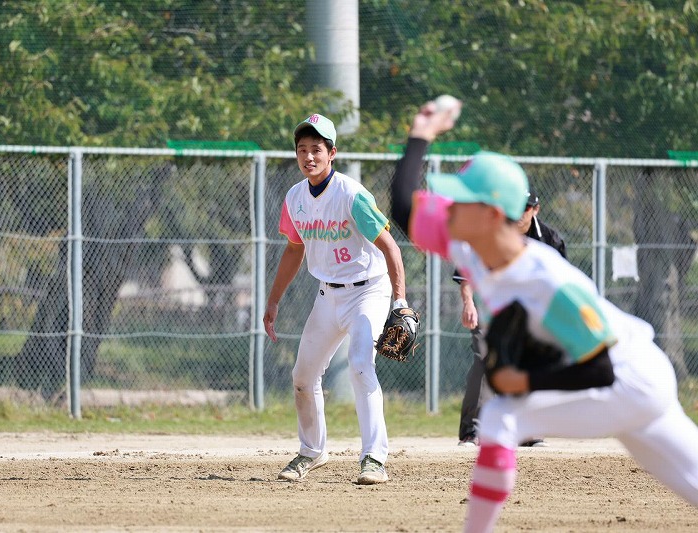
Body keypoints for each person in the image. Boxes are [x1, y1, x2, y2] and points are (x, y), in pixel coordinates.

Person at [390, 100, 698, 531]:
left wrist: (525, 382)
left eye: (460, 201)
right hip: (632, 381)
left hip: (626, 378)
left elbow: (600, 369)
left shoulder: (548, 281)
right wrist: (421, 134)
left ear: (492, 215)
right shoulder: (470, 245)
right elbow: (404, 210)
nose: (448, 207)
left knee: (500, 416)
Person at [263, 113, 408, 485]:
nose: (309, 156)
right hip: (328, 294)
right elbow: (294, 249)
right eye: (302, 149)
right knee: (302, 376)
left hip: (368, 291)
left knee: (360, 365)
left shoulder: (351, 194)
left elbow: (391, 248)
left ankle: (374, 458)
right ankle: (312, 451)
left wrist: (399, 301)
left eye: (317, 149)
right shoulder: (294, 197)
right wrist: (273, 300)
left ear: (332, 153)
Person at [456, 183, 567, 448]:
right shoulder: (490, 231)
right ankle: (472, 431)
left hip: (530, 309)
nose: (518, 213)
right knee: (484, 359)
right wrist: (468, 303)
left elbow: (560, 282)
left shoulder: (550, 239)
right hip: (491, 305)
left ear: (536, 209)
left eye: (525, 208)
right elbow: (467, 273)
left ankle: (528, 431)